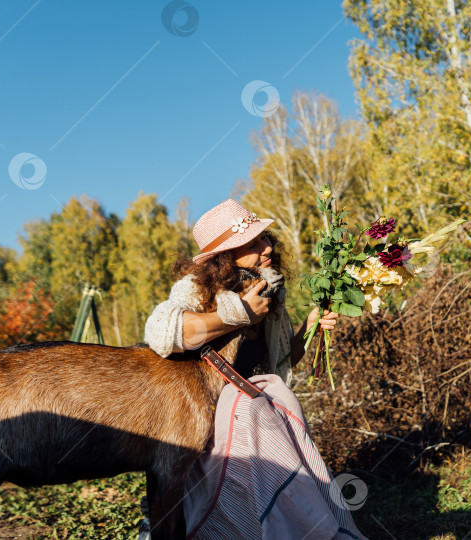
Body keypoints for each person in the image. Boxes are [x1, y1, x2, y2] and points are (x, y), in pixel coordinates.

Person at [142, 199, 367, 539]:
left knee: (274, 397)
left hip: (254, 402)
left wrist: (310, 328)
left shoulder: (269, 289)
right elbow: (160, 333)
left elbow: (279, 363)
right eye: (254, 243)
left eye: (265, 238)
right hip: (204, 413)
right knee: (254, 405)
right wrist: (239, 314)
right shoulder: (196, 288)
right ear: (226, 256)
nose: (268, 247)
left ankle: (297, 525)